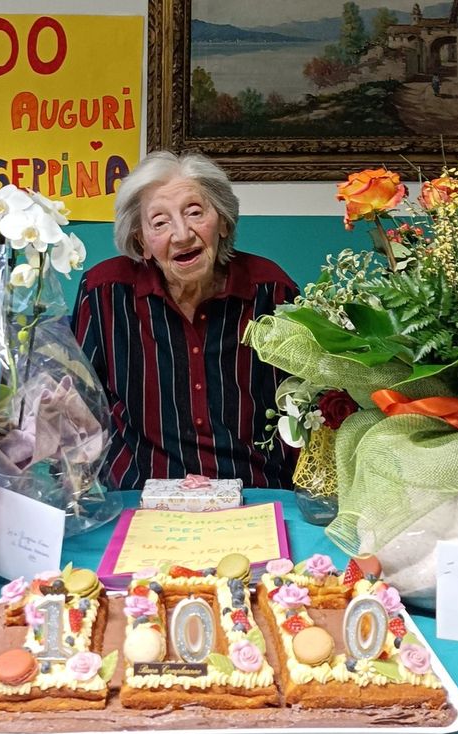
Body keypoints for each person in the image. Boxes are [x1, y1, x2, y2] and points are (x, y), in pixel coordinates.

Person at [71, 151, 298, 490]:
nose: (181, 234)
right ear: (142, 241)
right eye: (159, 222)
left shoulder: (271, 290)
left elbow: (302, 406)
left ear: (223, 222)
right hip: (143, 494)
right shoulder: (104, 293)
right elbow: (78, 405)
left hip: (255, 491)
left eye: (194, 212)